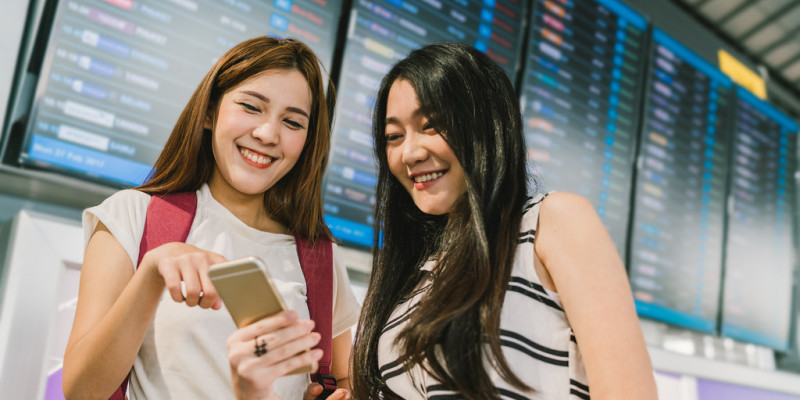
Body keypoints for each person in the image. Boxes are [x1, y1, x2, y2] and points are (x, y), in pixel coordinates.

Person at [351, 43, 658, 399]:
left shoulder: (551, 222)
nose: (410, 153)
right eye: (394, 137)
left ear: (486, 126)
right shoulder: (410, 280)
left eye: (432, 125)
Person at [62, 37, 359, 400]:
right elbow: (80, 391)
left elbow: (342, 378)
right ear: (208, 112)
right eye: (251, 107)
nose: (268, 134)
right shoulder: (132, 215)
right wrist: (152, 272)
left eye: (293, 123)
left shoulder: (321, 259)